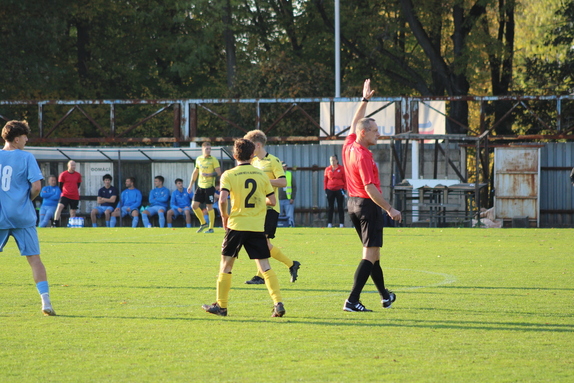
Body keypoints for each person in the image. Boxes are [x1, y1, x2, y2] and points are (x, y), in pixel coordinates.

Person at [202, 138, 285, 317]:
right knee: (265, 266)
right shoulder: (262, 175)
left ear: (234, 155)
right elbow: (272, 201)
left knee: (226, 264)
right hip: (256, 226)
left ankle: (221, 306)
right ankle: (278, 303)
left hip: (237, 225)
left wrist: (224, 216)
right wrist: (256, 202)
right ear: (252, 154)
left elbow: (222, 199)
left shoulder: (229, 174)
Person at [342, 79, 402, 312]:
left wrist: (364, 100)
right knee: (370, 255)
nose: (379, 134)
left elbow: (355, 122)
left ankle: (385, 295)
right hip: (368, 206)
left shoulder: (349, 144)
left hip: (353, 206)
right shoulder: (364, 155)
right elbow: (370, 188)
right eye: (375, 131)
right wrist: (390, 208)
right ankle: (352, 300)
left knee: (373, 255)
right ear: (364, 133)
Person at [0, 120, 56, 315]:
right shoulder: (26, 157)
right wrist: (27, 200)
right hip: (22, 217)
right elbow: (37, 187)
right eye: (25, 137)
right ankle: (46, 302)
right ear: (16, 139)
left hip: (0, 217)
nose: (26, 140)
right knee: (34, 260)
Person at [243, 130, 300, 285]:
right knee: (260, 243)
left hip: (270, 209)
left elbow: (282, 182)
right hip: (257, 209)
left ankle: (265, 274)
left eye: (250, 145)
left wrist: (265, 180)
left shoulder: (273, 161)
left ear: (258, 145)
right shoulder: (253, 162)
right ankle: (289, 265)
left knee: (262, 243)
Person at [188, 142, 221, 234]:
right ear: (202, 149)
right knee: (194, 206)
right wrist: (190, 185)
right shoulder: (199, 159)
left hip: (209, 187)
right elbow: (195, 172)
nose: (209, 150)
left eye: (210, 149)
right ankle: (203, 223)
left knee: (209, 206)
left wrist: (209, 174)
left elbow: (218, 172)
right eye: (207, 149)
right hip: (200, 186)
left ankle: (211, 228)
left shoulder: (213, 160)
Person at [53, 160, 82, 227]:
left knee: (73, 211)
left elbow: (78, 185)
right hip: (65, 194)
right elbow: (60, 185)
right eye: (72, 165)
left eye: (74, 165)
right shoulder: (63, 174)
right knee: (59, 207)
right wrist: (65, 191)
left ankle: (72, 224)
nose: (73, 167)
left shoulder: (78, 175)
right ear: (68, 166)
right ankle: (55, 223)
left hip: (74, 195)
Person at [324, 155, 347, 228]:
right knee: (330, 207)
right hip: (330, 189)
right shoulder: (327, 169)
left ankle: (341, 223)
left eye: (333, 160)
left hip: (339, 189)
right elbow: (325, 180)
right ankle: (329, 223)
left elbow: (345, 179)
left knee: (340, 207)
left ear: (337, 161)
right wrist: (326, 189)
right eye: (331, 160)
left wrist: (344, 189)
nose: (332, 162)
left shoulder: (341, 168)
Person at [278, 161, 296, 227]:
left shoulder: (289, 174)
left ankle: (291, 226)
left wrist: (292, 198)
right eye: (283, 166)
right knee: (278, 215)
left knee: (290, 216)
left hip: (288, 199)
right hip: (278, 199)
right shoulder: (276, 174)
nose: (285, 167)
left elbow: (294, 187)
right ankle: (279, 226)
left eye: (285, 166)